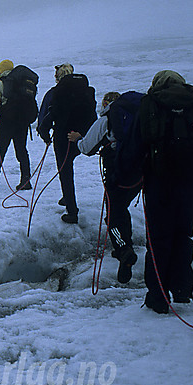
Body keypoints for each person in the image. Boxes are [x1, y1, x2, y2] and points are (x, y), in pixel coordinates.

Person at [119, 71, 193, 314]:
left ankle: (158, 296)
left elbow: (135, 144)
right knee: (183, 234)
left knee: (159, 239)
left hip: (159, 183)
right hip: (192, 184)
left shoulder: (151, 103)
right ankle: (182, 289)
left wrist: (122, 178)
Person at [68, 91, 141, 283]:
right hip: (141, 172)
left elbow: (86, 148)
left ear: (107, 103)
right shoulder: (139, 116)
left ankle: (123, 248)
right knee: (121, 207)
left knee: (113, 215)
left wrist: (78, 138)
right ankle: (128, 243)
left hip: (118, 174)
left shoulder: (107, 120)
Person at [37, 64, 97, 224]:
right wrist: (84, 135)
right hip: (82, 137)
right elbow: (92, 115)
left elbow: (47, 116)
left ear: (57, 77)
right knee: (69, 168)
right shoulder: (86, 91)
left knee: (65, 172)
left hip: (64, 138)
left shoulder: (55, 92)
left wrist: (45, 135)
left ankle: (72, 211)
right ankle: (67, 197)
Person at [0, 60, 37, 190]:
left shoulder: (1, 83)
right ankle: (25, 180)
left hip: (7, 121)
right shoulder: (23, 82)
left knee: (0, 149)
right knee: (22, 150)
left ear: (1, 70)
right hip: (22, 122)